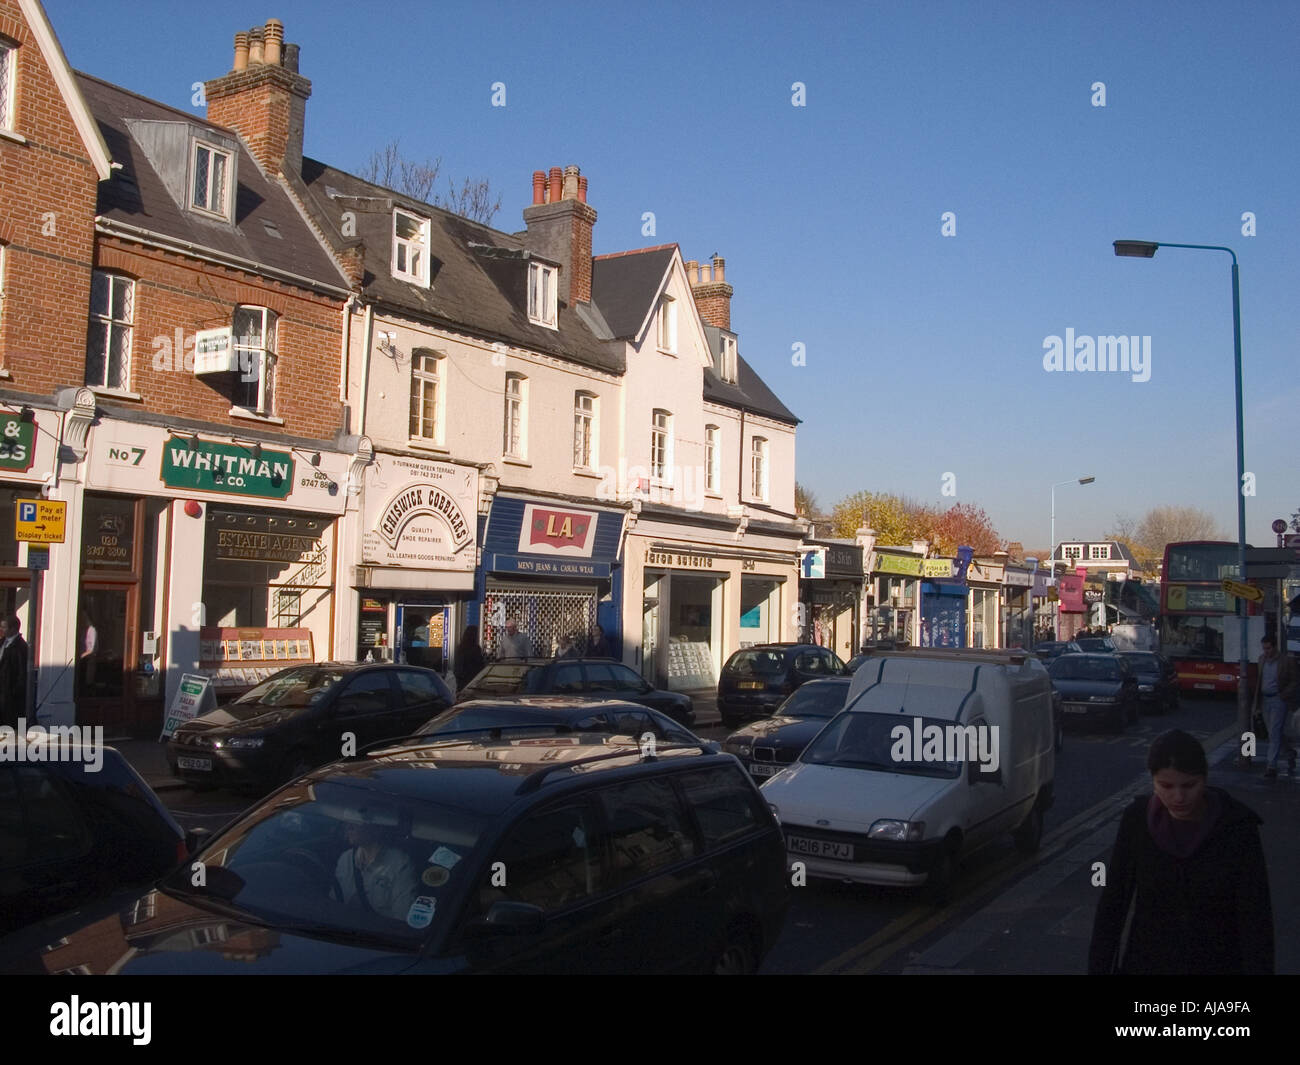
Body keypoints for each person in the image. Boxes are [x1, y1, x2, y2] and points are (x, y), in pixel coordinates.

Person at [1087, 729, 1273, 974]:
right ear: (1152, 780)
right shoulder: (1137, 820)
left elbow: (1255, 917)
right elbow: (1113, 903)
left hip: (1218, 965)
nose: (1178, 797)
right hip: (1147, 962)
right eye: (1166, 785)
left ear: (1204, 779)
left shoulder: (1237, 826)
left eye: (1189, 785)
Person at [334, 821, 419, 921]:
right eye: (348, 820)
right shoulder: (346, 858)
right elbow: (333, 904)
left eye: (357, 821)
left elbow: (402, 918)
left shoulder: (400, 863)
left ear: (377, 827)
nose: (349, 827)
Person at [1252, 635, 1297, 778]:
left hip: (1279, 700)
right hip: (1265, 700)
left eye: (1268, 648)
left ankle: (1271, 766)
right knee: (1273, 731)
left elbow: (1296, 680)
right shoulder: (1261, 659)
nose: (1266, 651)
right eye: (1264, 648)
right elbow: (1260, 680)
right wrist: (1256, 703)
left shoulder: (1286, 661)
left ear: (1275, 646)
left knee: (1274, 732)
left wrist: (1284, 694)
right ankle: (1290, 752)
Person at [0, 614, 29, 728]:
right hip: (2, 690)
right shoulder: (3, 642)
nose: (1, 630)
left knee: (9, 723)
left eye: (4, 627)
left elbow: (21, 673)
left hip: (10, 694)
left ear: (13, 629)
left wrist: (14, 691)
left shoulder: (20, 647)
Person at [454, 625, 486, 689]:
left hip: (461, 680)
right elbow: (479, 665)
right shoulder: (475, 649)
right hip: (472, 679)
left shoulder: (460, 648)